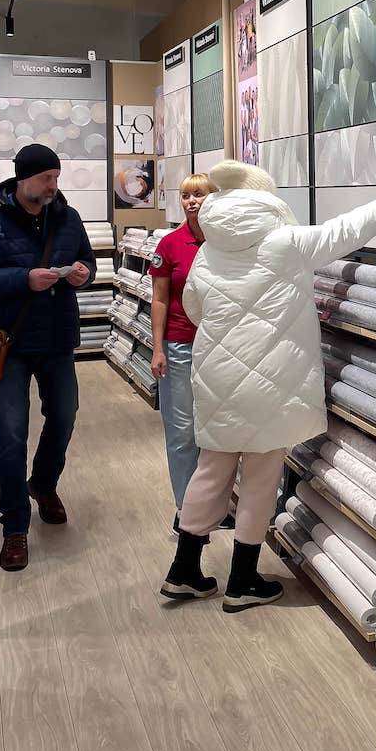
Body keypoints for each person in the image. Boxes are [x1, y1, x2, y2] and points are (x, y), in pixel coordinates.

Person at [160, 160, 376, 610]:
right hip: (272, 380)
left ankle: (183, 571)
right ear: (266, 200)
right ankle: (242, 581)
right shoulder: (285, 242)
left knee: (210, 470)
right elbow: (339, 233)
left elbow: (194, 308)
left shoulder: (208, 252)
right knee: (260, 477)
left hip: (215, 376)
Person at [0, 144, 96, 572]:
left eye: (56, 177)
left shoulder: (68, 218)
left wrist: (83, 274)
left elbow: (87, 261)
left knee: (65, 416)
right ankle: (14, 526)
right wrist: (24, 279)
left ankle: (44, 484)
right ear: (22, 179)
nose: (53, 185)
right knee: (11, 434)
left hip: (56, 339)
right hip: (9, 344)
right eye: (45, 178)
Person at [150, 173, 217, 525]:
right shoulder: (170, 245)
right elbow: (159, 300)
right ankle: (186, 511)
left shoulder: (225, 241)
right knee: (182, 430)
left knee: (217, 429)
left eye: (199, 194)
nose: (191, 201)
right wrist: (157, 348)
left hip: (220, 348)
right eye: (186, 196)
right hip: (180, 346)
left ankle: (212, 506)